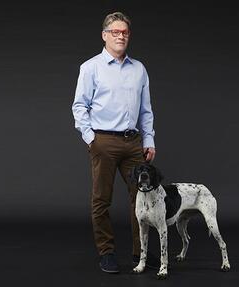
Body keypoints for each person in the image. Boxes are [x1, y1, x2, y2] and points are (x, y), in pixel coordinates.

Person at [71, 12, 158, 273]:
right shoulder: (90, 67)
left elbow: (146, 110)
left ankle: (139, 254)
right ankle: (106, 252)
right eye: (115, 32)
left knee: (142, 200)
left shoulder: (139, 69)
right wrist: (91, 139)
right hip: (104, 141)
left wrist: (149, 139)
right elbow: (79, 106)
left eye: (125, 32)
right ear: (104, 35)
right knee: (101, 200)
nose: (121, 36)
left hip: (134, 143)